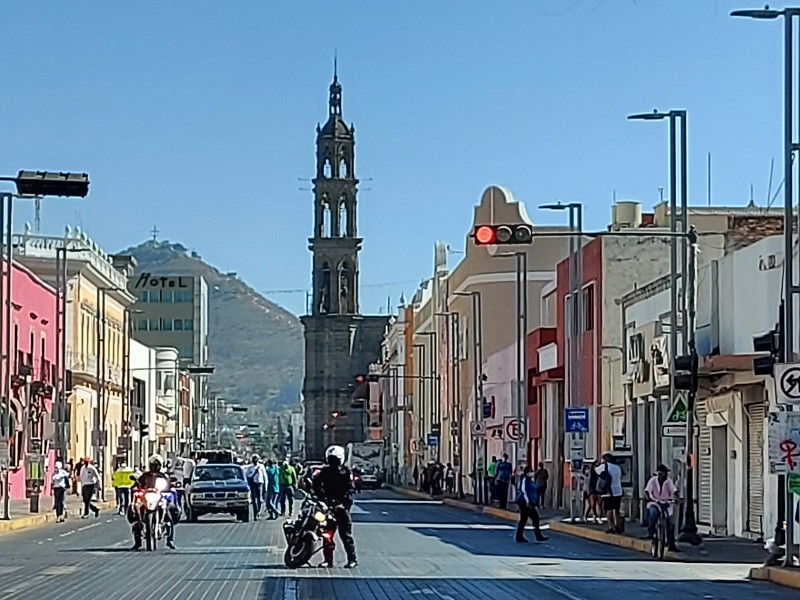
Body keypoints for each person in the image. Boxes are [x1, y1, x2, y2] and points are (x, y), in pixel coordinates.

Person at [312, 445, 357, 568]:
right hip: (327, 508)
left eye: (335, 460)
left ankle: (352, 559)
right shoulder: (325, 471)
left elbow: (350, 489)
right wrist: (320, 496)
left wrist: (343, 505)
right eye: (331, 459)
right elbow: (316, 485)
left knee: (346, 535)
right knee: (327, 535)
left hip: (341, 508)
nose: (333, 462)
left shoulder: (346, 472)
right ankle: (328, 560)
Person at [129, 454, 178, 550]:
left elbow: (168, 484)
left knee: (169, 515)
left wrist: (171, 488)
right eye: (153, 465)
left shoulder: (163, 476)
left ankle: (170, 540)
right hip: (146, 498)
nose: (154, 467)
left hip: (159, 497)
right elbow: (137, 484)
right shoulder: (144, 476)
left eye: (157, 465)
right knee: (136, 514)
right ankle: (137, 542)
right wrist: (135, 487)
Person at [644, 464, 681, 552]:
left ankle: (671, 544)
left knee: (671, 524)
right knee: (653, 513)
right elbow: (647, 491)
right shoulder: (652, 481)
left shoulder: (669, 481)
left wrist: (676, 499)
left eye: (664, 473)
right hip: (655, 502)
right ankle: (651, 531)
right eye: (660, 474)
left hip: (666, 503)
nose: (662, 476)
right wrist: (647, 497)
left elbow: (674, 491)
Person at [515, 466, 549, 543]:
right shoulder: (525, 479)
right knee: (534, 518)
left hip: (528, 502)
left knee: (525, 519)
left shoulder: (529, 480)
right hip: (525, 502)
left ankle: (520, 536)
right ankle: (537, 536)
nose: (532, 473)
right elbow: (524, 491)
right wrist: (528, 502)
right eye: (530, 471)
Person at [595, 452, 623, 534]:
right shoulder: (617, 467)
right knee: (616, 509)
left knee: (608, 510)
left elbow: (596, 470)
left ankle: (611, 526)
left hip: (608, 491)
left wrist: (600, 464)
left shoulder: (604, 466)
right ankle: (617, 524)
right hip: (618, 491)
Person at [245, 455, 267, 520]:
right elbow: (247, 476)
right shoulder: (250, 468)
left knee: (260, 499)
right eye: (254, 460)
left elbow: (265, 476)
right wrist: (254, 473)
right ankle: (255, 514)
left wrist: (266, 486)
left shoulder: (261, 467)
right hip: (253, 484)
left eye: (256, 459)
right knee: (254, 500)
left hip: (260, 484)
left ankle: (258, 512)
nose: (255, 461)